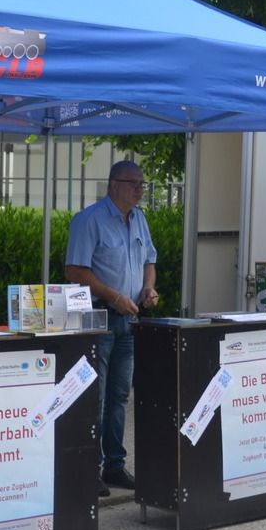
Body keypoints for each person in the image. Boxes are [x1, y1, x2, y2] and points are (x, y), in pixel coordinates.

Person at [65, 160, 159, 496]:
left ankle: (115, 466)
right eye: (133, 183)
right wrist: (114, 296)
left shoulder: (140, 218)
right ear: (113, 185)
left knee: (120, 395)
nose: (139, 189)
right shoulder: (89, 220)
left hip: (129, 317)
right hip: (98, 315)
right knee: (97, 396)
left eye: (142, 184)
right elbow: (75, 271)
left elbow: (150, 259)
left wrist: (148, 288)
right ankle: (89, 468)